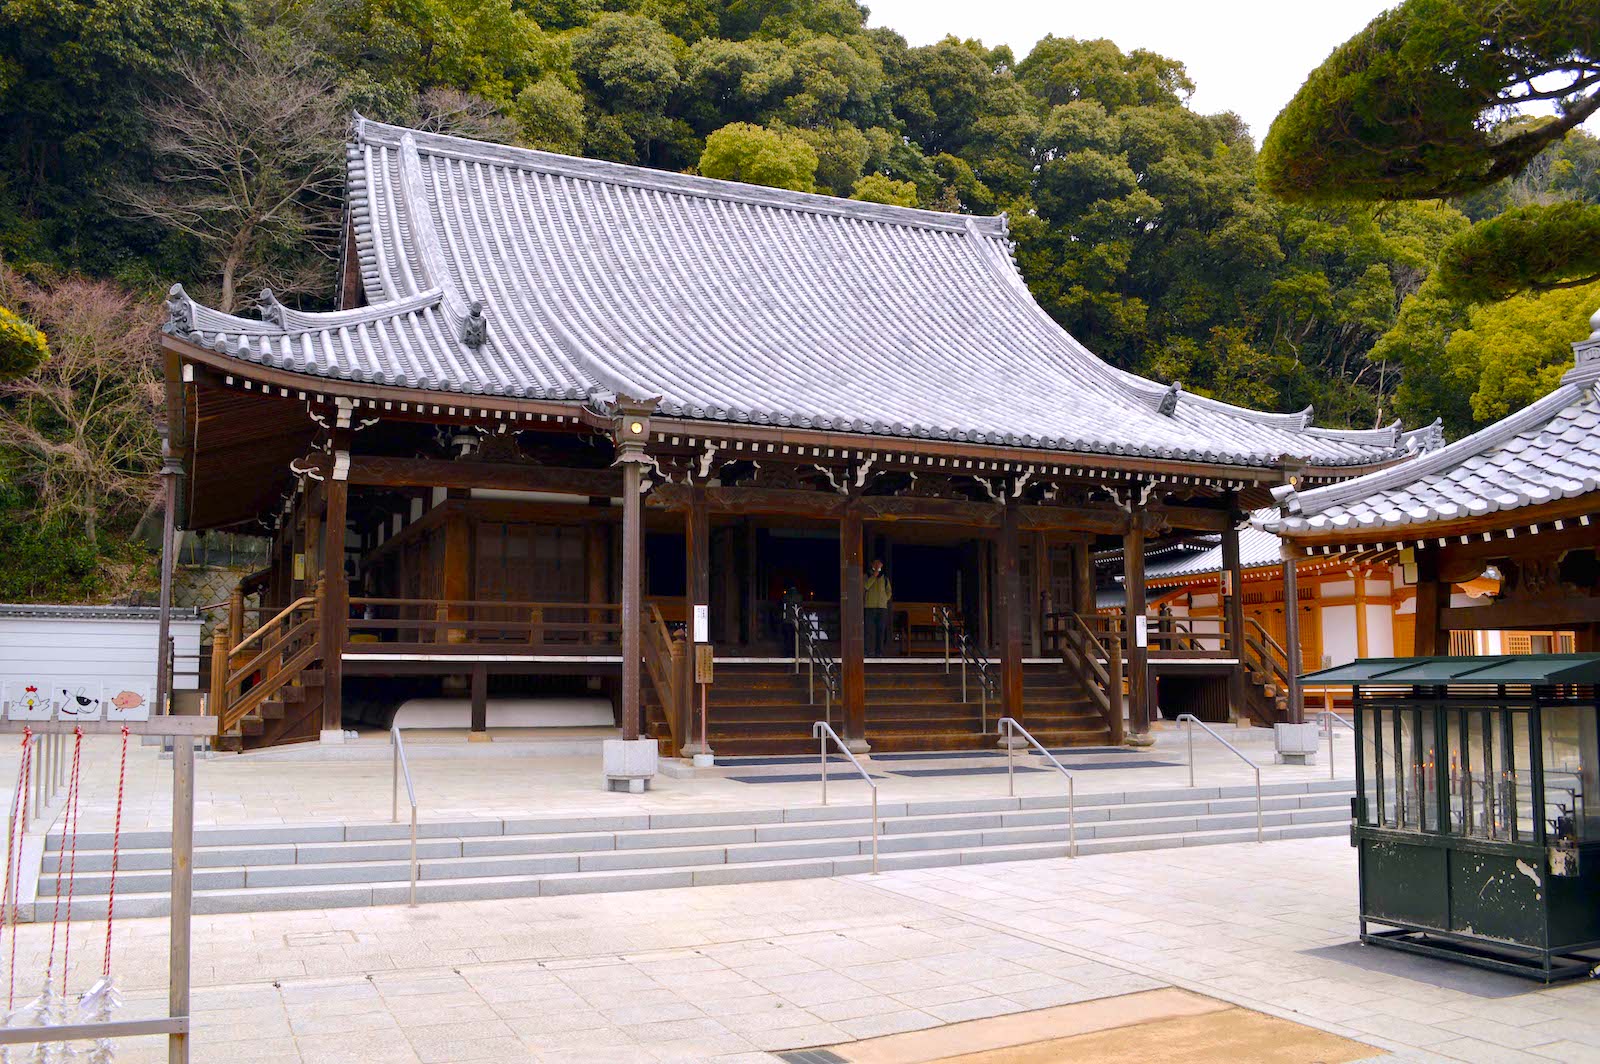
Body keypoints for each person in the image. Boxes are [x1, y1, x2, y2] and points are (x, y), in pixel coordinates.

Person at [864, 559, 892, 656]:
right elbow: (865, 586)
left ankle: (879, 652)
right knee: (868, 630)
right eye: (875, 563)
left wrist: (885, 599)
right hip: (869, 606)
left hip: (882, 607)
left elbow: (889, 591)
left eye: (879, 564)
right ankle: (867, 651)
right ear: (872, 564)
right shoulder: (867, 575)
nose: (877, 565)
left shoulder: (884, 578)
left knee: (880, 630)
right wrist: (874, 576)